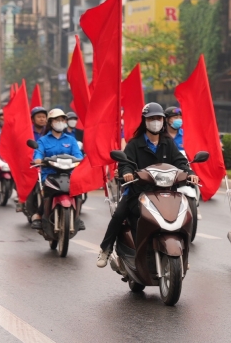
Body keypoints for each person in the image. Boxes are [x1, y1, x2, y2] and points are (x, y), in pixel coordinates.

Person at [97, 102, 198, 267]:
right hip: (138, 192)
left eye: (158, 118)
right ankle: (106, 249)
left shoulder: (168, 143)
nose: (155, 121)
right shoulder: (135, 144)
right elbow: (126, 164)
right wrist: (127, 173)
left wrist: (190, 173)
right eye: (151, 118)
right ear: (144, 121)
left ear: (163, 121)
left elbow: (181, 162)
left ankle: (183, 255)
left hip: (165, 192)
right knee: (119, 215)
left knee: (185, 214)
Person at [30, 109, 85, 231]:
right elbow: (38, 153)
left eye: (62, 119)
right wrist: (38, 159)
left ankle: (77, 217)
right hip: (50, 174)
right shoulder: (43, 140)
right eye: (57, 120)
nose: (60, 122)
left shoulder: (71, 140)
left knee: (79, 189)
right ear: (51, 122)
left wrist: (81, 160)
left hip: (69, 174)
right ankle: (40, 215)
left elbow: (78, 155)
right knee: (47, 193)